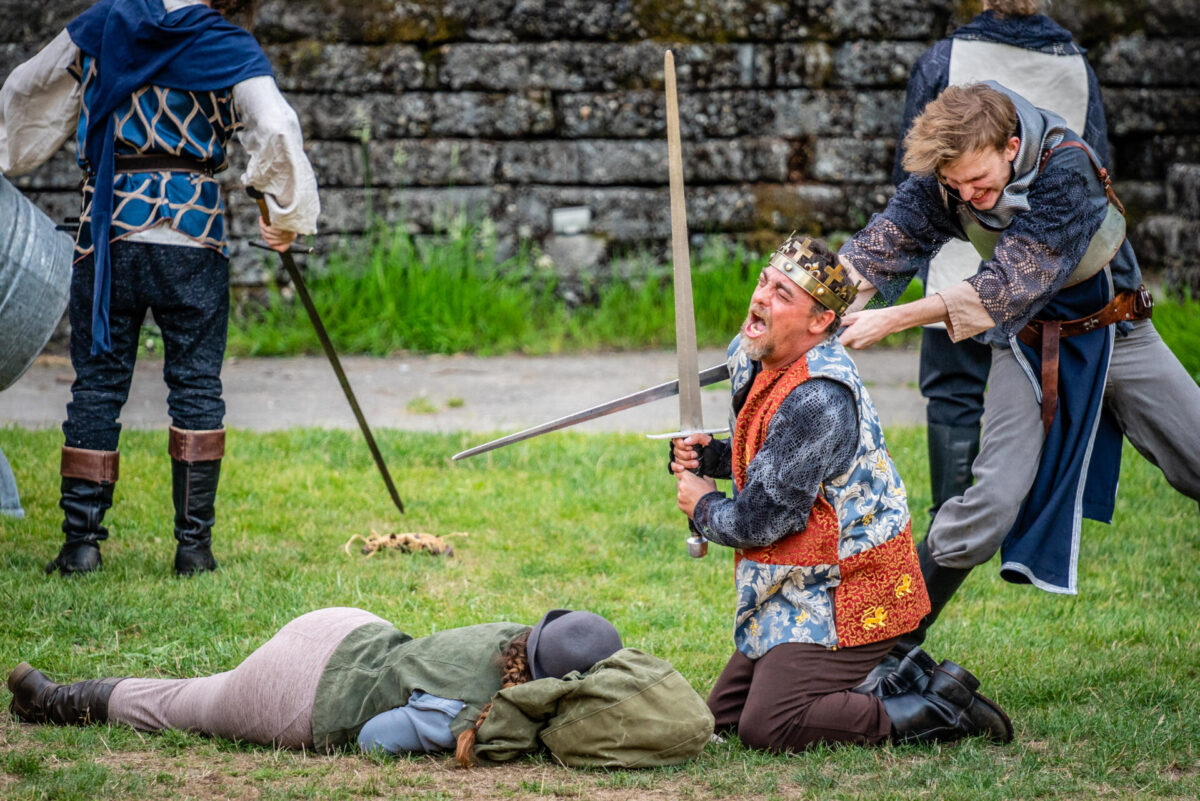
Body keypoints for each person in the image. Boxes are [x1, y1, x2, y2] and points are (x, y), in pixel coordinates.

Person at [837, 82, 1200, 670]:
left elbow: (1006, 285)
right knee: (989, 506)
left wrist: (892, 319)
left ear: (1011, 146)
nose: (970, 197)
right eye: (957, 188)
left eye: (980, 183)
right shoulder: (950, 179)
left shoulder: (1067, 167)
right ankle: (875, 649)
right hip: (1028, 344)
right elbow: (880, 248)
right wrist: (807, 300)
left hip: (1120, 333)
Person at [0, 0, 319, 577]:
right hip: (193, 237)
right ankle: (193, 551)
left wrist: (9, 151)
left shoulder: (100, 28)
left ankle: (81, 546)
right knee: (196, 387)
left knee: (97, 385)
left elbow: (28, 85)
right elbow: (274, 125)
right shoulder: (224, 43)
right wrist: (286, 211)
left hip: (110, 232)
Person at [669, 234, 1012, 750]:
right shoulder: (755, 355)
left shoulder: (819, 399)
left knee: (769, 727)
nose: (761, 298)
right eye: (765, 282)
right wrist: (709, 457)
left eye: (783, 295)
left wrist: (704, 504)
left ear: (820, 321)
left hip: (852, 586)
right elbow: (768, 461)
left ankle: (935, 708)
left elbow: (762, 522)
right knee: (719, 720)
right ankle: (886, 679)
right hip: (799, 577)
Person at [895, 0, 1112, 523]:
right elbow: (1102, 169)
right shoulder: (1078, 66)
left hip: (968, 258)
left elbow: (914, 174)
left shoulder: (944, 60)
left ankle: (954, 515)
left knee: (954, 389)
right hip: (1052, 273)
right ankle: (986, 520)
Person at [7, 607, 623, 763]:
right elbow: (376, 740)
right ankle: (49, 699)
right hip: (301, 692)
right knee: (177, 703)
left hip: (349, 627)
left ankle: (54, 693)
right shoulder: (470, 711)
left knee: (193, 688)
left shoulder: (509, 634)